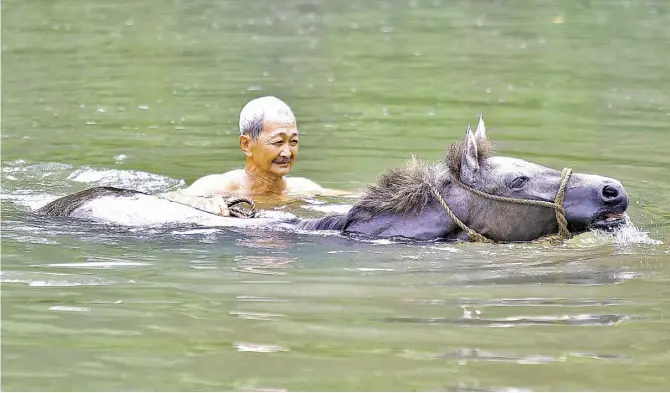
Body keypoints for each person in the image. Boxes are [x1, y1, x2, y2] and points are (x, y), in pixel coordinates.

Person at [159, 96, 350, 216]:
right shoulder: (219, 187)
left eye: (293, 142)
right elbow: (166, 199)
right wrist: (199, 202)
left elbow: (353, 199)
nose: (286, 153)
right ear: (246, 144)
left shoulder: (303, 189)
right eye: (277, 142)